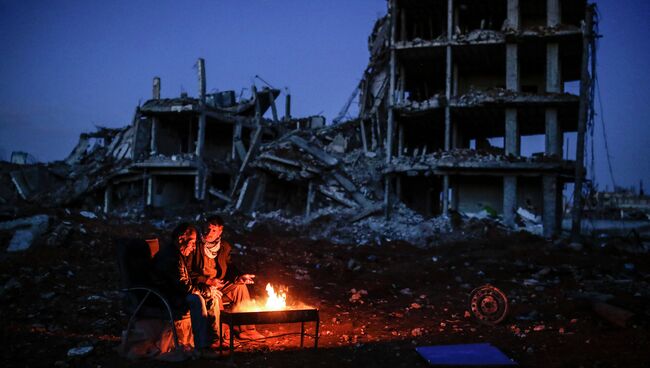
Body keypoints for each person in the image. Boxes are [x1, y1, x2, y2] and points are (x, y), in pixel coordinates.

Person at [154, 222, 221, 358]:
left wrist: (208, 290)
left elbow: (185, 283)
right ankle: (202, 347)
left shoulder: (178, 255)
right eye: (191, 242)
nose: (193, 247)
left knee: (211, 297)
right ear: (180, 239)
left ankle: (213, 341)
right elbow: (185, 287)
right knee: (196, 299)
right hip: (166, 297)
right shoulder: (171, 257)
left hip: (175, 294)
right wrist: (206, 291)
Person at [194, 215, 265, 340]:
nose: (209, 233)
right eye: (208, 228)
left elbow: (229, 266)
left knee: (240, 288)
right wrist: (208, 281)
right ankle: (219, 335)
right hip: (202, 284)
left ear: (220, 231)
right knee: (216, 296)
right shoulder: (194, 245)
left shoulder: (223, 247)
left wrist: (239, 277)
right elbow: (189, 271)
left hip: (219, 282)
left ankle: (247, 329)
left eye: (214, 230)